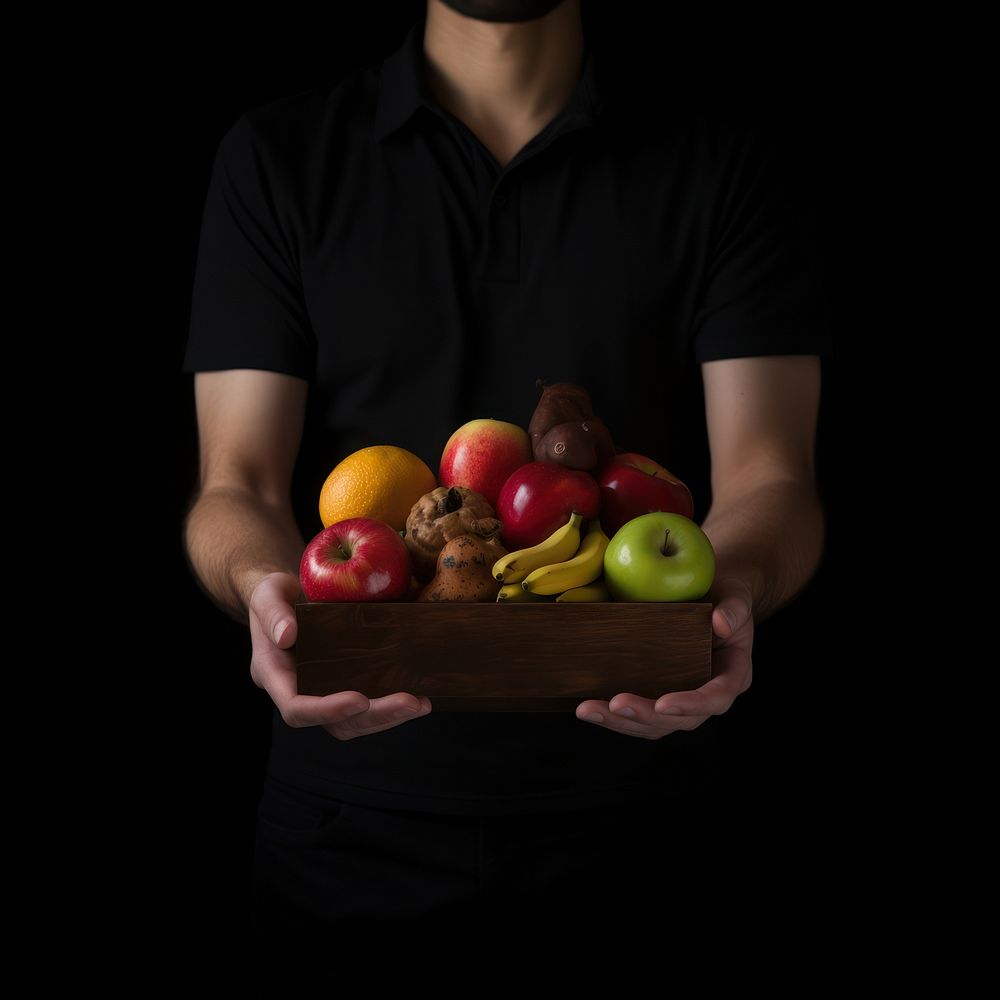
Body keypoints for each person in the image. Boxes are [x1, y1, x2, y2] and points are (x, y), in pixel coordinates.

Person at [182, 0, 830, 980]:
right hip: (348, 828)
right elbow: (231, 486)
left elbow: (773, 478)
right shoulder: (280, 156)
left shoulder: (722, 155)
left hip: (651, 819)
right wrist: (268, 594)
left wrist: (731, 591)